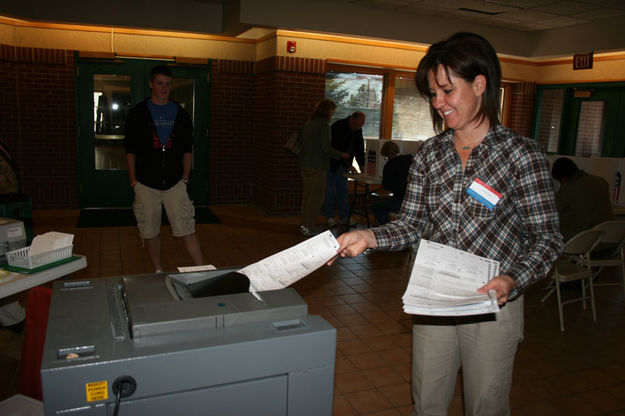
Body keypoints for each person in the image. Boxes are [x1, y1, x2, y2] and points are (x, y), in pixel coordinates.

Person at [328, 32, 563, 416]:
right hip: (434, 298)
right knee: (428, 400)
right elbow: (411, 225)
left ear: (480, 84)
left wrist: (513, 279)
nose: (438, 104)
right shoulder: (430, 154)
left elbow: (546, 239)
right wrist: (368, 236)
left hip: (491, 303)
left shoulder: (520, 154)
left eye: (447, 91)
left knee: (486, 404)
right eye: (433, 94)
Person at [124, 65, 204, 272]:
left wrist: (185, 179)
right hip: (145, 184)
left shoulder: (181, 115)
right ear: (151, 84)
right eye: (159, 83)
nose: (164, 88)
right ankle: (158, 269)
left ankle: (203, 270)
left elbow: (187, 150)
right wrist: (134, 182)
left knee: (187, 228)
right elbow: (130, 150)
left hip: (175, 184)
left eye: (168, 84)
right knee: (150, 231)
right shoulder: (138, 114)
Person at [299, 99, 349, 236]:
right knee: (316, 198)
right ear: (328, 111)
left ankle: (304, 225)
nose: (333, 114)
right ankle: (308, 227)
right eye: (333, 111)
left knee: (307, 196)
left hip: (305, 164)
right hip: (317, 166)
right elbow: (325, 148)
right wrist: (341, 154)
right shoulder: (323, 126)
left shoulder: (308, 123)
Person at [551, 157, 613, 241]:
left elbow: (549, 209)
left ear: (563, 179)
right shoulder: (601, 181)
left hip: (583, 243)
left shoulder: (569, 189)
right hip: (608, 240)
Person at [323, 111, 366, 227]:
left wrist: (362, 164)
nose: (358, 128)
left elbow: (359, 148)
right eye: (357, 125)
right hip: (332, 164)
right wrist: (348, 164)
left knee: (343, 192)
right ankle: (330, 217)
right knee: (329, 192)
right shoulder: (338, 126)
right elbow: (335, 149)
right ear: (352, 119)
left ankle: (344, 217)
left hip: (344, 165)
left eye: (360, 126)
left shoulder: (357, 130)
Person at [371, 140, 417, 225]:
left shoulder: (389, 165)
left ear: (386, 154)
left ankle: (387, 227)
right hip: (413, 201)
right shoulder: (409, 159)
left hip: (399, 201)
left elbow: (386, 186)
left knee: (375, 207)